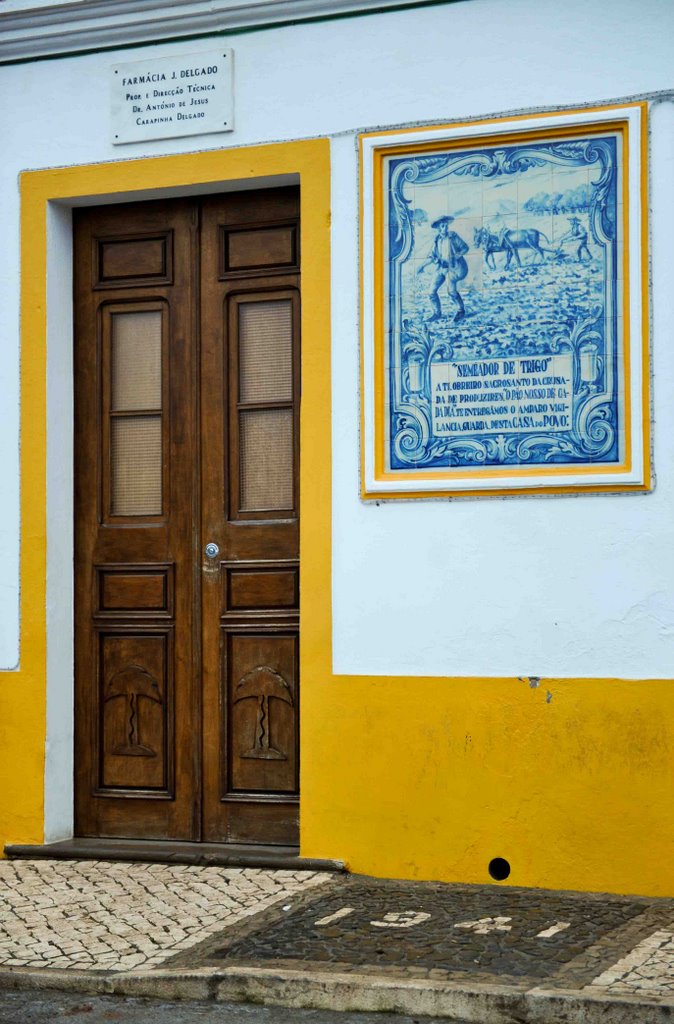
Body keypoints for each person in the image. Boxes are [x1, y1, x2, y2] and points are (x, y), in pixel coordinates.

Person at [417, 215, 469, 322]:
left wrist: (456, 256)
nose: (445, 228)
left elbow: (465, 248)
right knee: (431, 292)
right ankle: (437, 313)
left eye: (446, 226)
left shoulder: (453, 237)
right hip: (441, 267)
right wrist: (422, 266)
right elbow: (432, 256)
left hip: (453, 268)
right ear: (439, 228)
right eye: (442, 226)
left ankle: (461, 310)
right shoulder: (437, 240)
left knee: (451, 291)